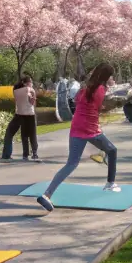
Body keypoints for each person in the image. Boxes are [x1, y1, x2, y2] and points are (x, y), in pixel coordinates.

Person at [36, 63, 120, 212]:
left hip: (77, 127)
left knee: (71, 164)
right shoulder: (101, 89)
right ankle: (110, 183)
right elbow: (100, 108)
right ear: (106, 77)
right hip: (91, 129)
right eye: (111, 76)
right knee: (112, 150)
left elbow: (77, 101)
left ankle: (46, 195)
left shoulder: (85, 87)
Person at [0, 75, 40, 161]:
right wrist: (32, 97)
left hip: (20, 114)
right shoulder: (30, 89)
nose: (32, 84)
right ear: (26, 83)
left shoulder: (15, 90)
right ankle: (34, 153)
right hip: (30, 115)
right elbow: (32, 103)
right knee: (32, 135)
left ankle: (25, 155)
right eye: (31, 82)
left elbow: (18, 101)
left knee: (24, 135)